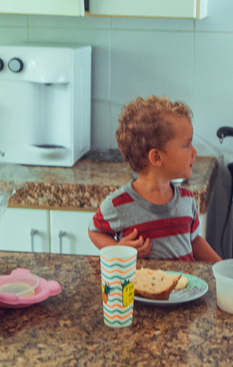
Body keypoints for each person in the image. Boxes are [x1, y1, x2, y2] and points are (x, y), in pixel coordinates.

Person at [89, 97, 221, 262]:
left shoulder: (187, 199)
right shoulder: (118, 204)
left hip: (185, 286)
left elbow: (194, 241)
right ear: (157, 157)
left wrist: (222, 268)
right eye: (187, 145)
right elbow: (94, 231)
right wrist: (118, 250)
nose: (194, 152)